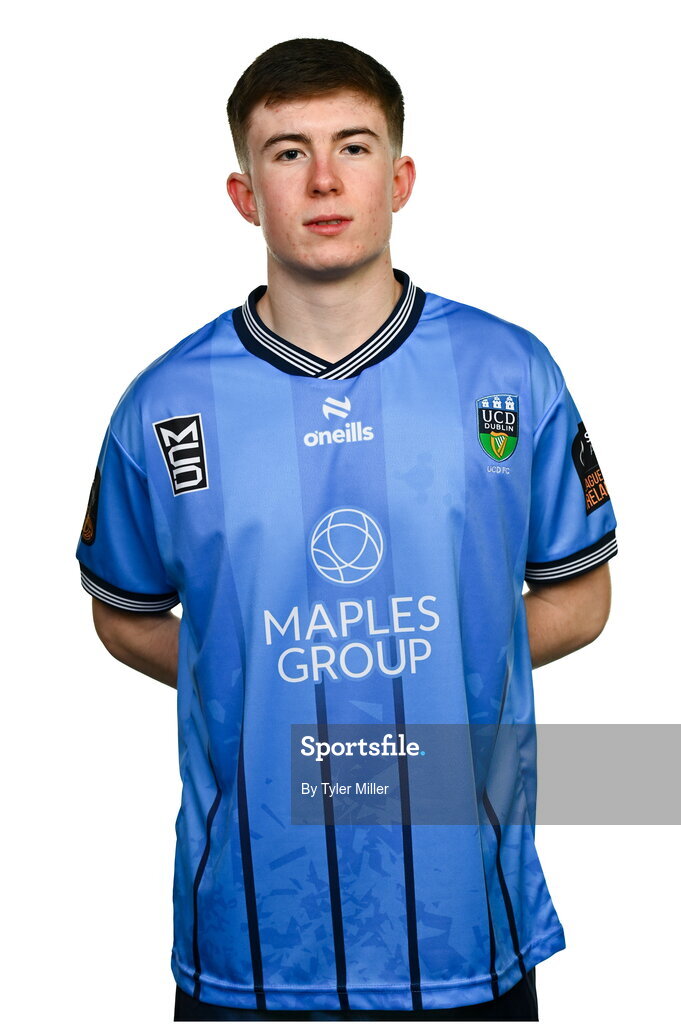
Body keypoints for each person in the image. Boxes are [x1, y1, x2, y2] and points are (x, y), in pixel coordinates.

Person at [76, 37, 617, 1022]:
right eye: (287, 152)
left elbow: (581, 598)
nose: (324, 179)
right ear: (245, 194)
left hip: (468, 926)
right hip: (248, 935)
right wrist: (259, 678)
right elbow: (125, 613)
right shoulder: (165, 407)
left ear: (400, 177)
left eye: (354, 147)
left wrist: (434, 671)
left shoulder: (508, 373)